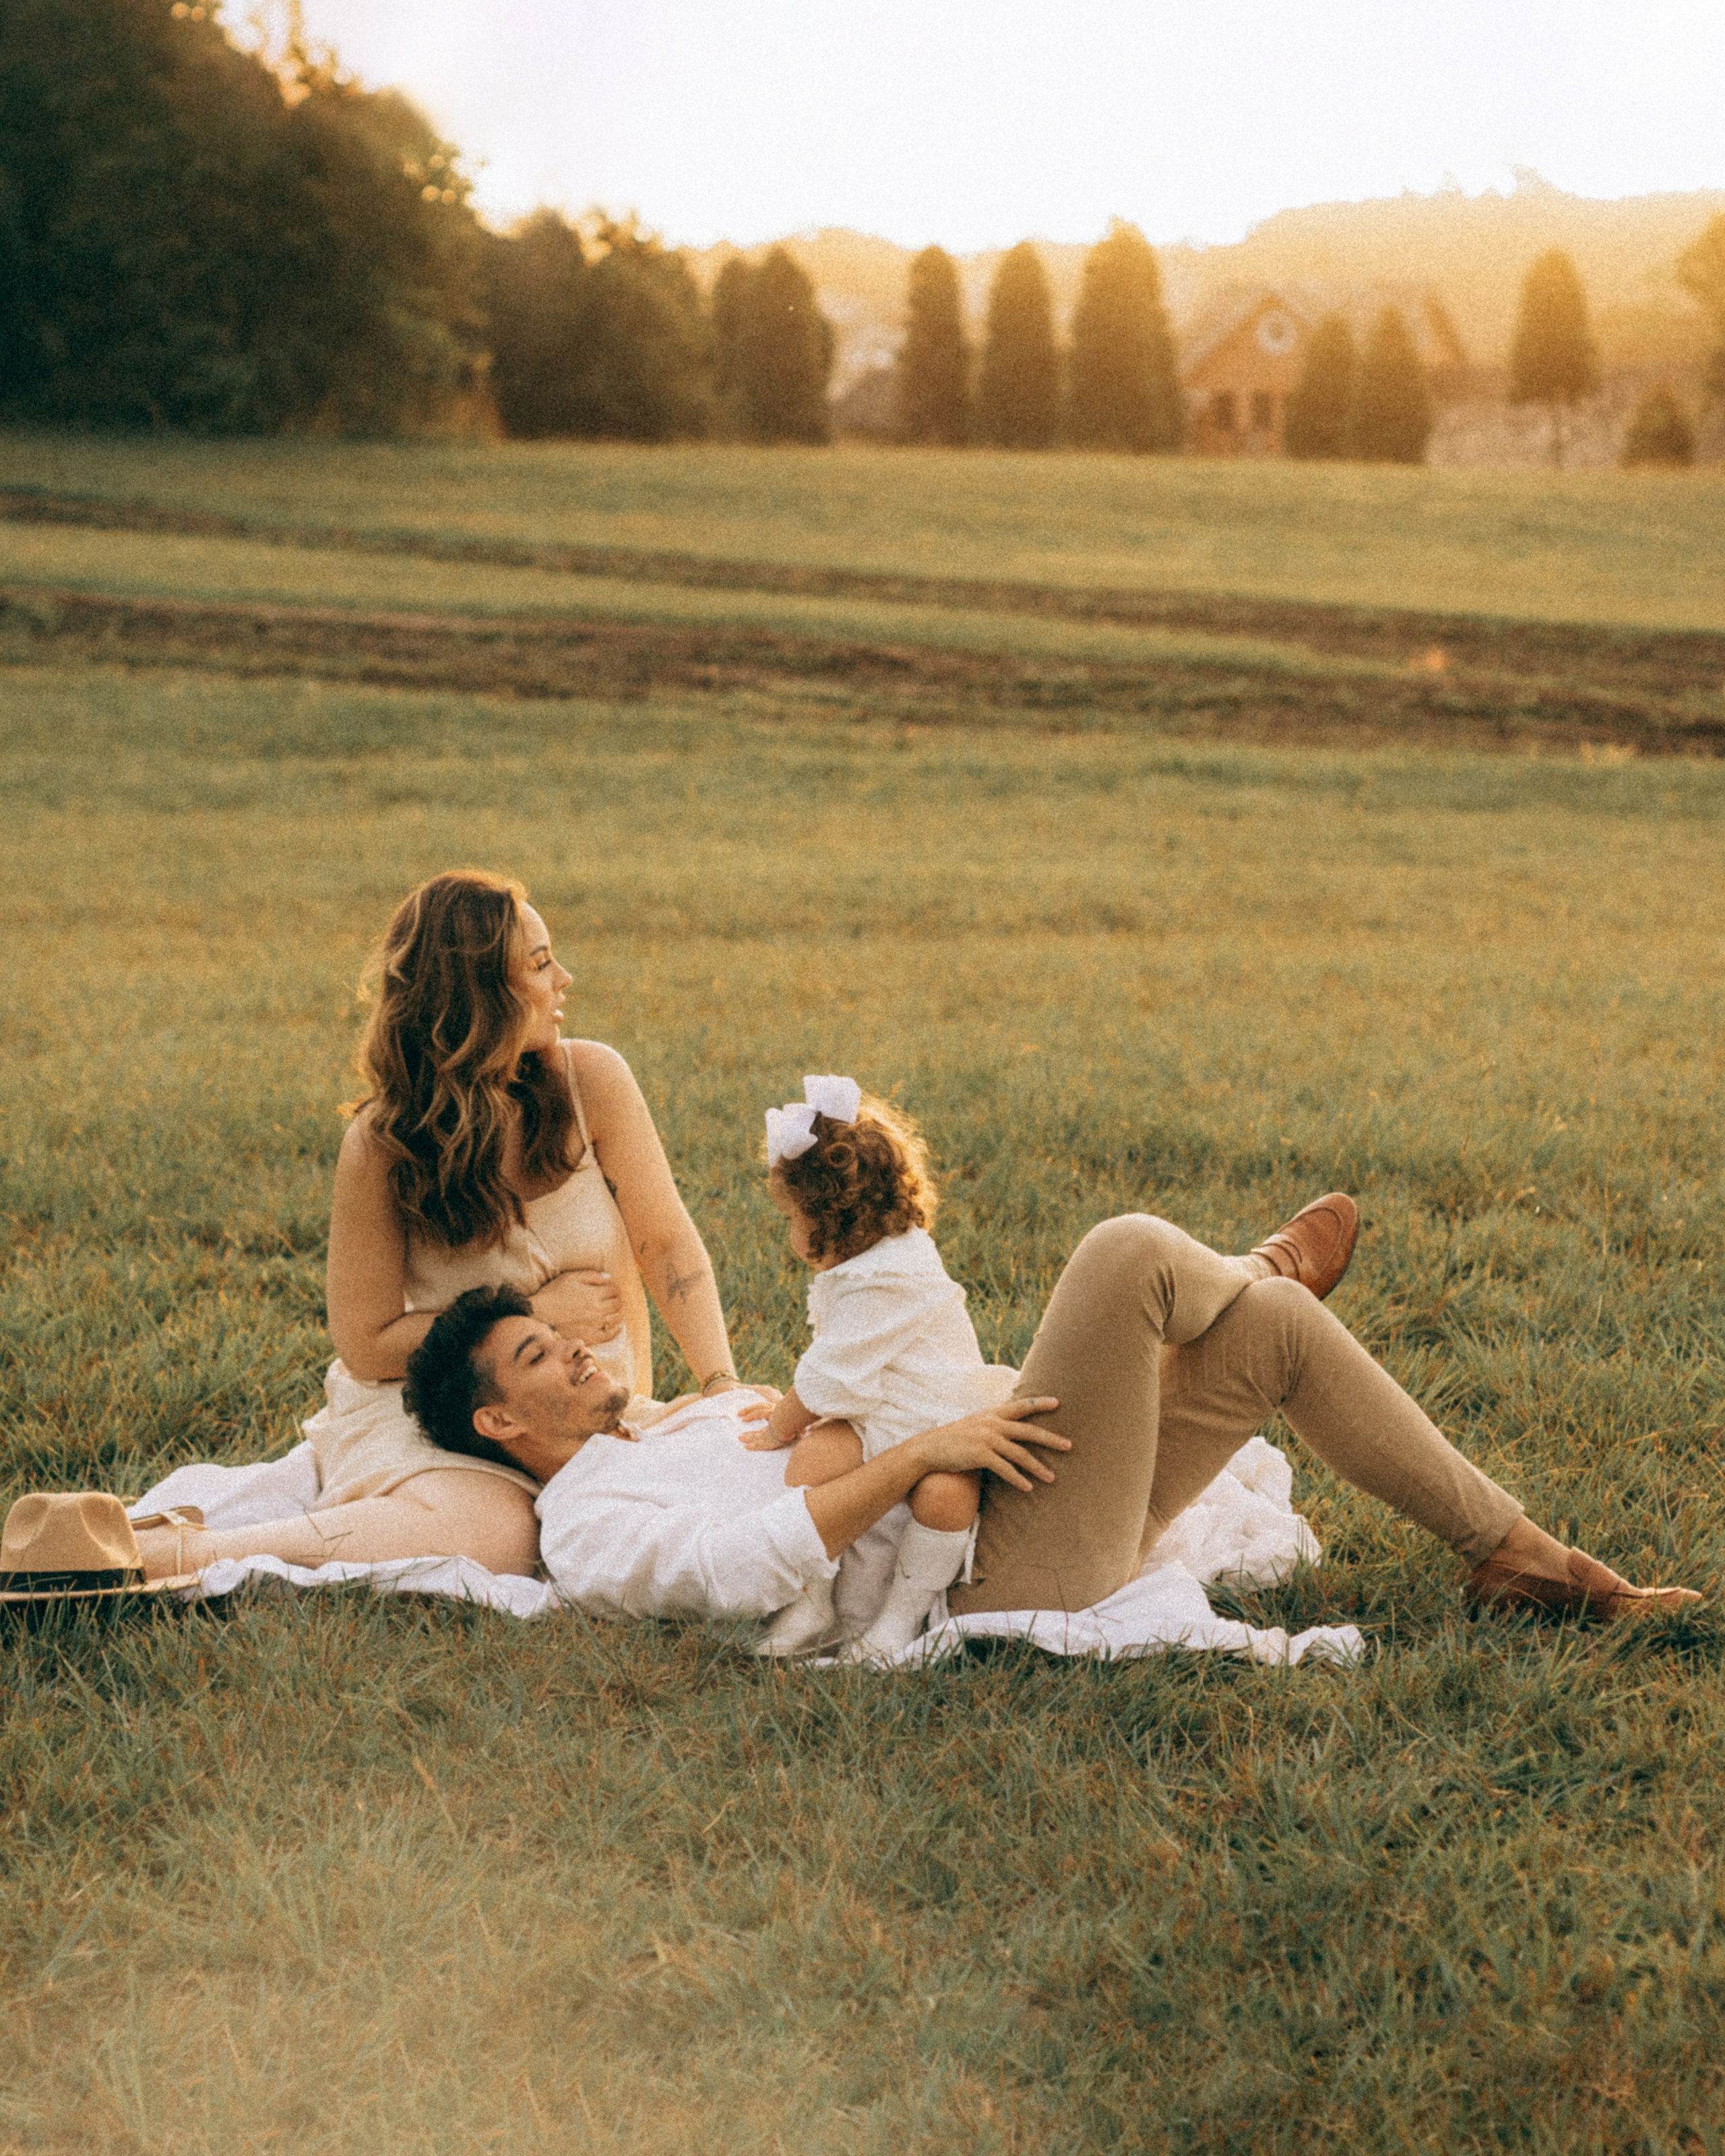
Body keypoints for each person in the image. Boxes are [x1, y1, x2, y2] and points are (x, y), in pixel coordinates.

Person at [401, 1205, 1701, 1638]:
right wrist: (922, 1454)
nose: (579, 1351)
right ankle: (1248, 1265)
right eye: (541, 1356)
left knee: (1273, 1343)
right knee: (1130, 1251)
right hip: (981, 1567)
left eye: (564, 1336)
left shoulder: (679, 1425)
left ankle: (1525, 1557)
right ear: (497, 1417)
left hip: (1025, 1494)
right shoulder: (584, 1521)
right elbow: (742, 1572)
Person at [133, 870, 757, 1583]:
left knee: (736, 1458)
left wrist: (718, 1384)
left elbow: (667, 1247)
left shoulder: (593, 1081)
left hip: (571, 1408)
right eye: (541, 963)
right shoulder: (382, 1142)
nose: (566, 979)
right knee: (499, 1536)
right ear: (483, 995)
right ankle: (185, 1554)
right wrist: (531, 1312)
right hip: (432, 1411)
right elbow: (365, 1344)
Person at [743, 1075, 1024, 1661]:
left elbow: (829, 1377)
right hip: (889, 1412)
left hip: (942, 1418)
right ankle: (814, 1594)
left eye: (792, 1218)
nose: (790, 1232)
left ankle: (899, 1621)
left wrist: (778, 1426)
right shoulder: (880, 1254)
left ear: (829, 1221)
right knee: (818, 1456)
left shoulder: (888, 1276)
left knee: (946, 1493)